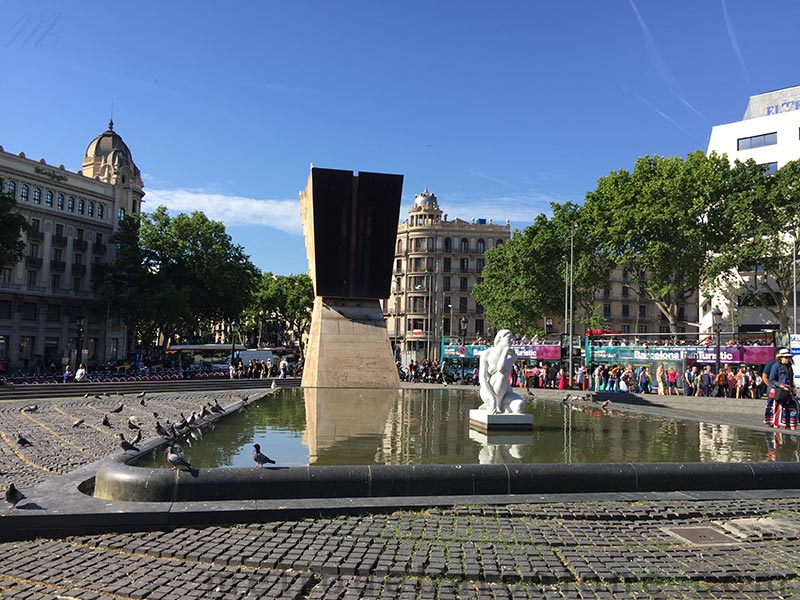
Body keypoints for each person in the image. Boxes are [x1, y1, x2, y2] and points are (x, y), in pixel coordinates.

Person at [478, 329, 525, 414]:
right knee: (501, 375)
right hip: (489, 391)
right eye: (509, 338)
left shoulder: (511, 355)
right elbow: (482, 379)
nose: (512, 340)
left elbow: (501, 367)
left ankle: (501, 405)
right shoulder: (486, 354)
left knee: (519, 407)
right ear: (500, 339)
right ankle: (496, 405)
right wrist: (492, 399)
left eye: (512, 338)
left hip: (506, 392)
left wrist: (507, 352)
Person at [767, 348, 798, 430]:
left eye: (789, 357)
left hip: (789, 393)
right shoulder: (775, 366)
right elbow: (771, 380)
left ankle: (792, 435)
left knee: (793, 412)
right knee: (778, 413)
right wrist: (780, 385)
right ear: (780, 358)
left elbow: (791, 380)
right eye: (786, 357)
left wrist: (793, 387)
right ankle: (776, 435)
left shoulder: (790, 367)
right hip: (780, 393)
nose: (787, 359)